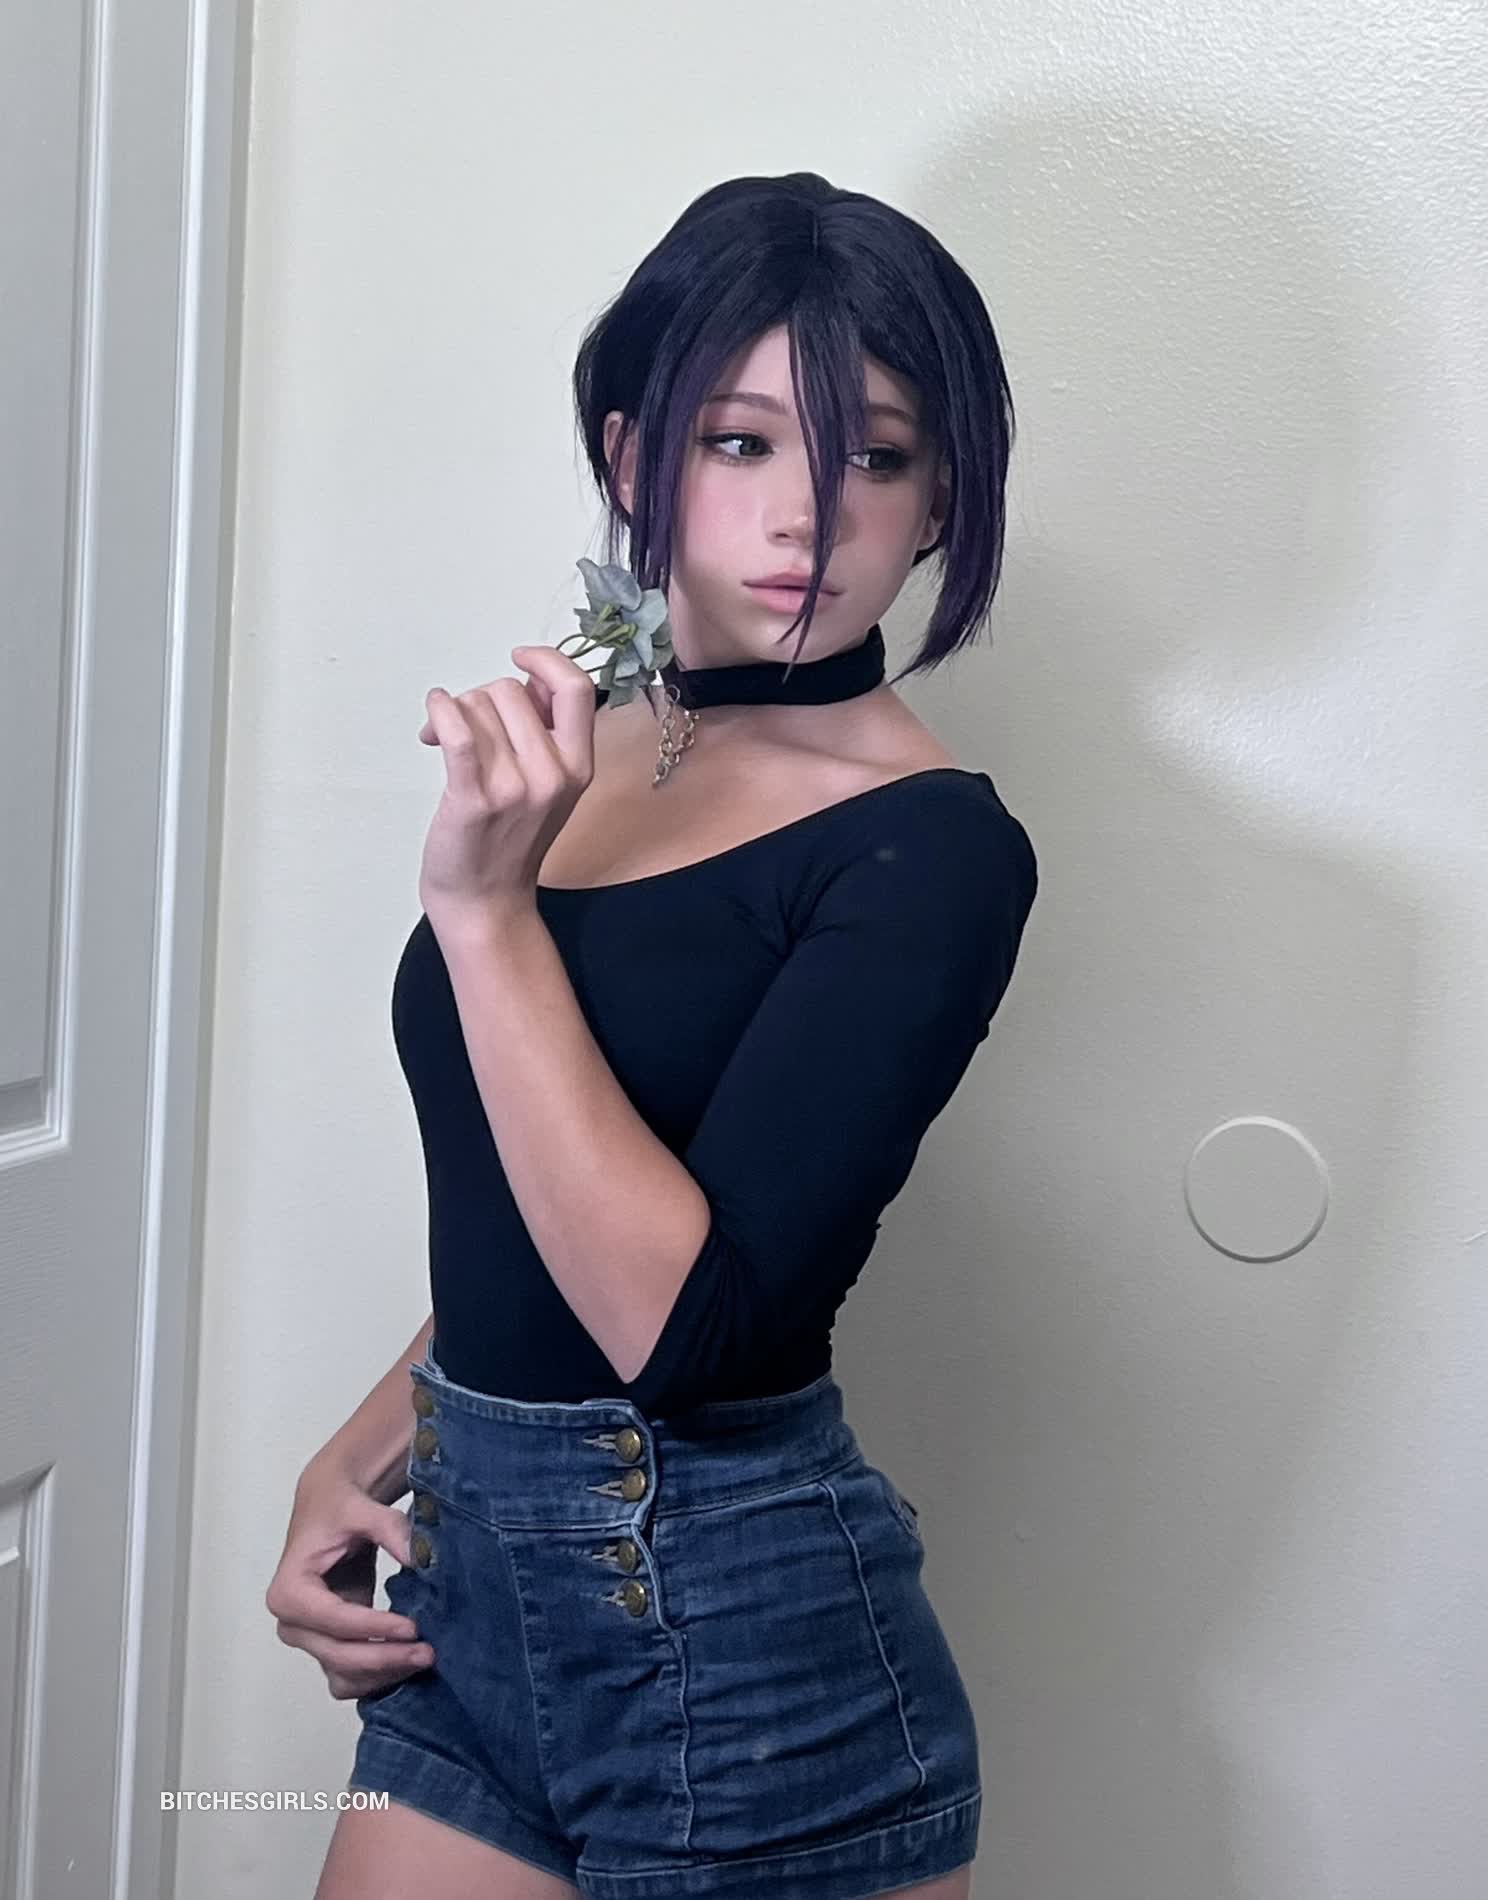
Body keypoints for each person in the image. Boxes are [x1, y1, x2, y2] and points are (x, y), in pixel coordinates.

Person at [268, 170, 1038, 1900]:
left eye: (876, 457)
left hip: (741, 1648)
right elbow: (536, 1207)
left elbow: (690, 1328)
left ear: (938, 500)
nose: (807, 515)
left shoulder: (929, 846)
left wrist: (486, 916)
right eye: (742, 442)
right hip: (472, 1596)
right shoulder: (593, 748)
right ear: (635, 460)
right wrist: (364, 1450)